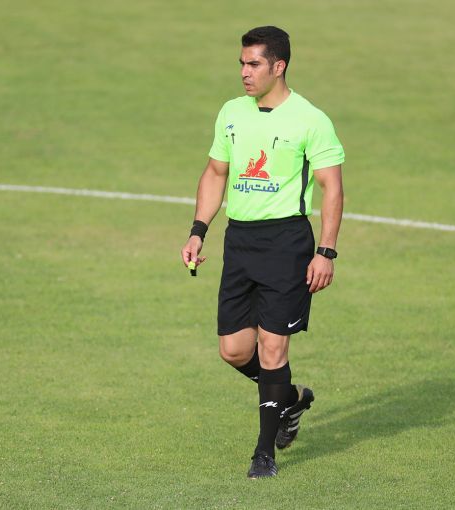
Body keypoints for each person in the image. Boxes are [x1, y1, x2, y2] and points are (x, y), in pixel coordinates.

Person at [180, 25, 344, 479]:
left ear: (279, 66)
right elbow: (215, 173)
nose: (244, 73)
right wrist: (198, 231)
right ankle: (289, 398)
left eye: (253, 64)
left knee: (273, 348)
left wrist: (326, 251)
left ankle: (263, 454)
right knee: (234, 350)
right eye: (242, 63)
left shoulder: (311, 119)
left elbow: (332, 187)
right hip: (240, 242)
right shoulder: (232, 112)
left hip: (287, 244)